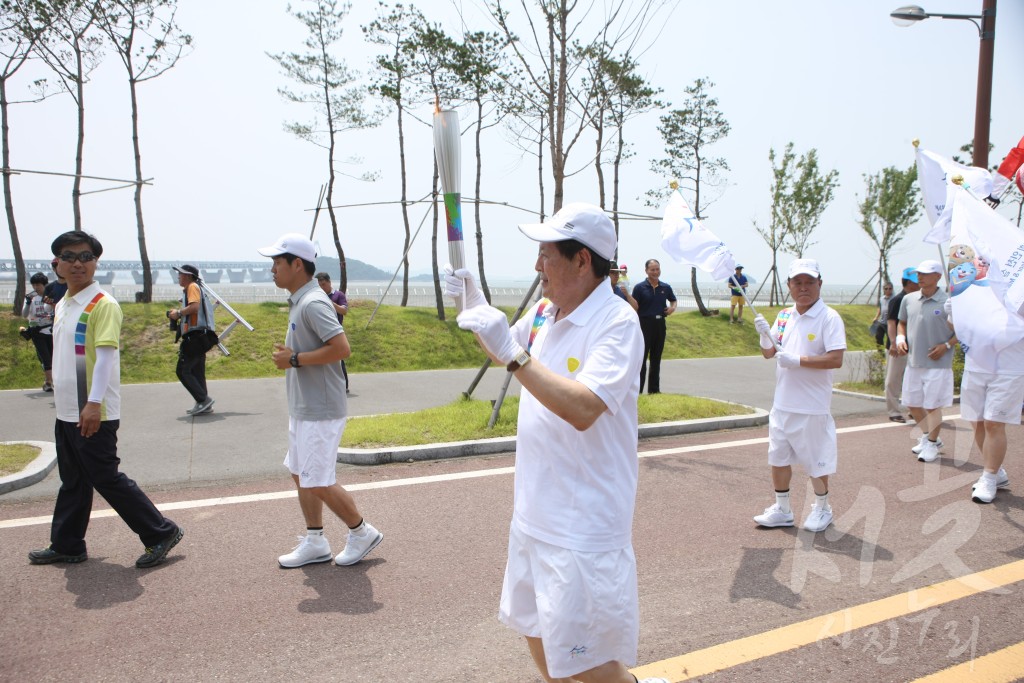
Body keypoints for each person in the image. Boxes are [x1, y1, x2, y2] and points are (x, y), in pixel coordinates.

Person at [445, 203, 666, 683]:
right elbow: (507, 346)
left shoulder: (617, 323)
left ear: (582, 260)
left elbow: (583, 407)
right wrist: (475, 304)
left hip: (580, 527)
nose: (537, 266)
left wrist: (511, 352)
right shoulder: (548, 310)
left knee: (588, 663)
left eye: (546, 255)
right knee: (535, 631)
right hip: (533, 515)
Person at [28, 230, 184, 568]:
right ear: (57, 264)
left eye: (86, 256)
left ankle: (160, 532)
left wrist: (94, 403)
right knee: (73, 478)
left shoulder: (103, 305)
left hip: (92, 408)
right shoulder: (65, 302)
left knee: (104, 476)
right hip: (68, 409)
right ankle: (68, 544)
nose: (77, 263)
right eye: (69, 257)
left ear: (96, 262)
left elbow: (107, 358)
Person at [258, 233, 382, 569]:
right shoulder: (301, 300)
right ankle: (315, 541)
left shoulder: (313, 302)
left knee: (318, 478)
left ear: (296, 265)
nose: (272, 269)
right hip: (305, 406)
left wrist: (294, 359)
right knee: (301, 473)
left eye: (276, 263)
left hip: (321, 409)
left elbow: (342, 349)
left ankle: (361, 531)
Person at [753, 258, 846, 533]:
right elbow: (769, 354)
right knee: (778, 457)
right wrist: (763, 336)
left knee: (815, 462)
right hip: (782, 403)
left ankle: (823, 508)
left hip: (812, 406)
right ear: (789, 286)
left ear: (819, 284)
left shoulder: (829, 317)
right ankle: (782, 509)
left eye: (809, 282)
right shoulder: (783, 316)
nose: (803, 288)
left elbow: (836, 359)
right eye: (798, 283)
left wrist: (800, 360)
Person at [948, 306, 1024, 504]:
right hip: (976, 366)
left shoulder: (1017, 281)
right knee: (977, 422)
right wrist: (954, 310)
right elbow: (955, 326)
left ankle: (989, 477)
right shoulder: (971, 282)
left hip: (1010, 367)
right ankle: (997, 471)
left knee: (994, 423)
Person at [896, 259, 956, 463]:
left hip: (938, 363)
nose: (920, 277)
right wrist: (900, 338)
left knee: (932, 406)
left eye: (926, 273)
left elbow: (963, 330)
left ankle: (931, 443)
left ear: (938, 276)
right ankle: (930, 437)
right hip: (914, 362)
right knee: (912, 404)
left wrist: (946, 346)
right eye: (918, 273)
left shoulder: (949, 301)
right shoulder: (909, 299)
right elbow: (902, 323)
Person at [168, 265, 215, 415]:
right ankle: (203, 403)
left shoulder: (192, 287)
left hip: (195, 336)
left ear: (188, 276)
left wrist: (178, 313)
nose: (178, 276)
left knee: (183, 370)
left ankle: (203, 400)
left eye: (180, 274)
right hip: (201, 335)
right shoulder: (194, 288)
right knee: (197, 370)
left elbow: (194, 307)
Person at [631, 258, 677, 394]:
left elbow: (673, 300)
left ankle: (654, 391)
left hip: (660, 325)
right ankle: (638, 391)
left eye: (657, 269)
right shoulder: (639, 288)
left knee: (656, 359)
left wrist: (672, 308)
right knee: (642, 359)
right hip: (644, 325)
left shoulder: (665, 287)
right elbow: (634, 306)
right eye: (652, 269)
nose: (655, 272)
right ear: (646, 271)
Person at [885, 269, 919, 423]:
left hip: (915, 346)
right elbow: (891, 323)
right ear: (909, 282)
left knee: (912, 379)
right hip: (898, 345)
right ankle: (893, 411)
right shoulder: (898, 300)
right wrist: (893, 342)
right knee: (894, 378)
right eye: (917, 280)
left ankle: (914, 409)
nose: (920, 283)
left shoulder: (918, 299)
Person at [315, 271, 350, 393]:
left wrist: (331, 303)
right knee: (322, 359)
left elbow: (344, 311)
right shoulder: (317, 297)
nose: (322, 288)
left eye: (324, 284)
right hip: (321, 333)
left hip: (336, 332)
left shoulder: (338, 295)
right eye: (319, 286)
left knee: (339, 360)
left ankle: (344, 385)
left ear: (329, 282)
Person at [21, 271, 55, 392]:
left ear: (45, 285)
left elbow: (56, 311)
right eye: (34, 285)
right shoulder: (31, 298)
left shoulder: (50, 296)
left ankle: (49, 381)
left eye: (38, 285)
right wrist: (28, 303)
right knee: (45, 358)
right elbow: (24, 315)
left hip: (50, 331)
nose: (36, 288)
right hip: (37, 332)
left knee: (53, 358)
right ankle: (49, 383)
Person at [873, 281, 893, 347]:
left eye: (890, 288)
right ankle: (880, 352)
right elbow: (880, 308)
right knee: (878, 337)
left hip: (890, 323)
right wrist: (876, 317)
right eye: (886, 288)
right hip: (882, 321)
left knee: (889, 340)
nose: (888, 290)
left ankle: (889, 351)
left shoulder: (894, 299)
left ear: (892, 289)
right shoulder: (882, 299)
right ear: (883, 289)